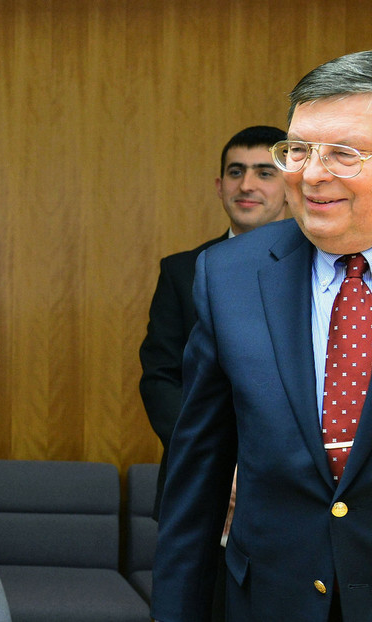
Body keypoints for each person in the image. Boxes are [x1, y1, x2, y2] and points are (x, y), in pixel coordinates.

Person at [152, 50, 372, 622]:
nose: (310, 174)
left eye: (343, 154)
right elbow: (196, 475)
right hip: (270, 599)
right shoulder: (230, 274)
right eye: (298, 150)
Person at [140, 124, 288, 517]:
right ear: (219, 185)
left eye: (265, 172)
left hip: (294, 491)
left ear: (292, 182)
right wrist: (215, 465)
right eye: (236, 172)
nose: (247, 185)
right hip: (199, 487)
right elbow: (161, 379)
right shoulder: (181, 271)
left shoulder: (324, 270)